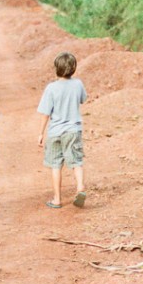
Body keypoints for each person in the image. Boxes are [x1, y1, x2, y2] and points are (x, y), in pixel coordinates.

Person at [37, 52, 88, 209]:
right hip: (73, 130)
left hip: (55, 132)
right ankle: (80, 187)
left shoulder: (51, 88)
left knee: (55, 165)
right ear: (74, 68)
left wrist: (40, 133)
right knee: (76, 161)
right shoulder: (78, 84)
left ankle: (57, 199)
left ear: (55, 69)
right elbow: (83, 99)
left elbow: (46, 113)